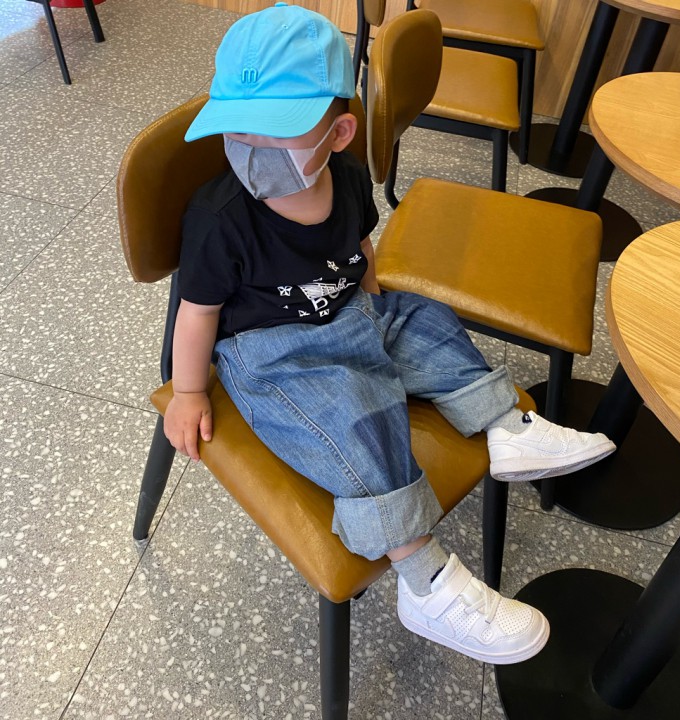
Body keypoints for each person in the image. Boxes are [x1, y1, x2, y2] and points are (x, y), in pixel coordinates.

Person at [164, 3, 615, 666]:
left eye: (275, 131)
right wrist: (187, 392)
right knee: (358, 414)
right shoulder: (220, 217)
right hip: (274, 353)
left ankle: (503, 427)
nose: (250, 149)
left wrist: (378, 305)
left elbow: (361, 247)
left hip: (350, 308)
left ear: (339, 133)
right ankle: (423, 577)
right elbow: (196, 312)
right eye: (237, 128)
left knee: (427, 317)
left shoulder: (346, 180)